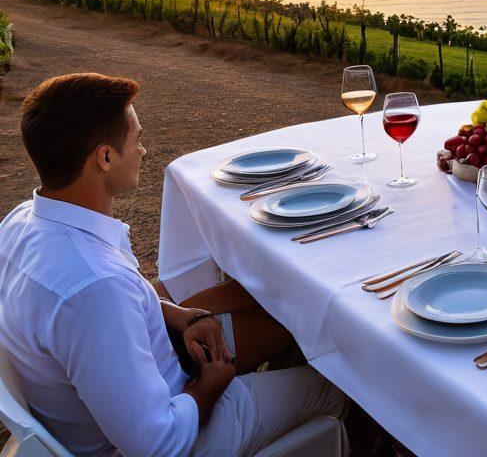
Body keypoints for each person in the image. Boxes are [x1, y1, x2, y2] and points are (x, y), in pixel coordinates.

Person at [0, 73, 349, 456]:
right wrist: (210, 385)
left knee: (279, 320)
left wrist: (178, 315)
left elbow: (108, 307)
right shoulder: (95, 287)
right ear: (105, 157)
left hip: (144, 381)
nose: (143, 151)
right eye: (136, 139)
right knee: (339, 382)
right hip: (182, 427)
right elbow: (159, 445)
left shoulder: (21, 223)